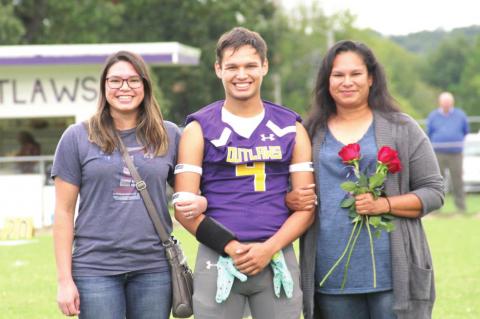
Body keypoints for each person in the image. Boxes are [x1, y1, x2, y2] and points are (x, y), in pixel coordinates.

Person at [286, 40, 444, 319]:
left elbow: (433, 191)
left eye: (355, 74)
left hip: (394, 277)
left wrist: (384, 205)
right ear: (327, 81)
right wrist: (290, 199)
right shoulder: (308, 132)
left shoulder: (401, 128)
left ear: (371, 78)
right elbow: (287, 192)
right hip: (331, 277)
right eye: (338, 75)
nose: (347, 82)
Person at [173, 27, 315, 319]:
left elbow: (306, 207)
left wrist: (269, 248)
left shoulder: (291, 127)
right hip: (218, 256)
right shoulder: (198, 128)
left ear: (265, 66)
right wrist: (231, 247)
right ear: (218, 70)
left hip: (277, 255)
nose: (242, 74)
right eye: (232, 67)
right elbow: (184, 209)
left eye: (250, 65)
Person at [51, 51, 206, 319]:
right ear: (104, 87)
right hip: (95, 269)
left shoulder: (169, 135)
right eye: (115, 81)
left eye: (134, 80)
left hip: (154, 269)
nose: (125, 87)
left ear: (145, 86)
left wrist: (201, 201)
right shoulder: (76, 137)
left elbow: (191, 194)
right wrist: (65, 281)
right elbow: (64, 213)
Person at [427, 92, 469, 212]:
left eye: (448, 101)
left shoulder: (460, 115)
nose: (446, 104)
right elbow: (429, 133)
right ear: (440, 102)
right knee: (436, 181)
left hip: (456, 153)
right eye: (444, 101)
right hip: (438, 153)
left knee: (457, 180)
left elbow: (465, 131)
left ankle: (461, 208)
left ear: (452, 102)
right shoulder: (433, 116)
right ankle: (435, 209)